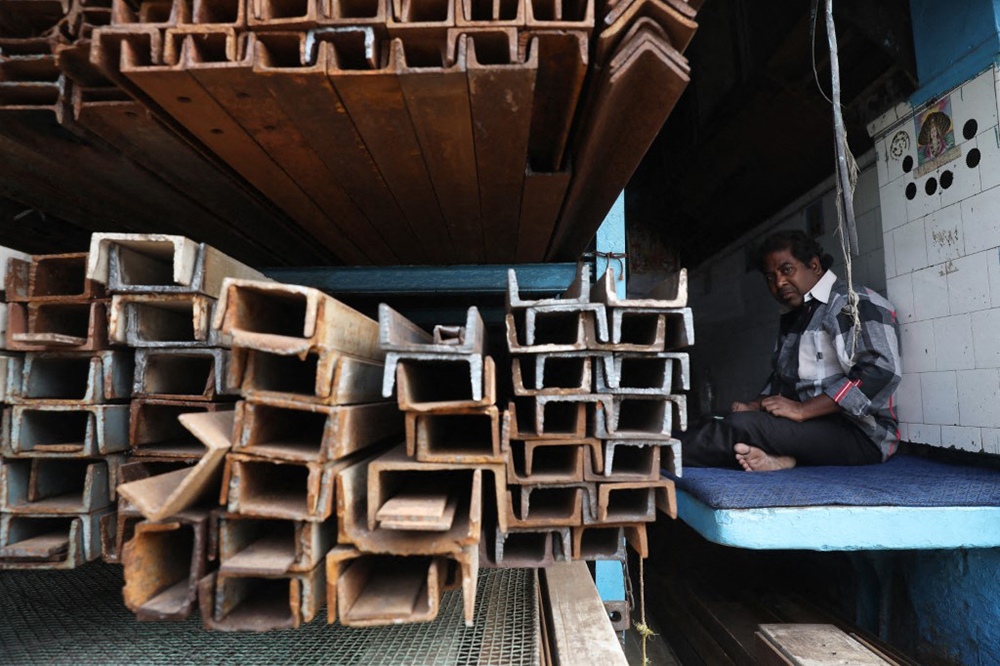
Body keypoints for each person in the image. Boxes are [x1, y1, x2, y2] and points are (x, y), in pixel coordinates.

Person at [682, 230, 902, 472]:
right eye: (770, 276)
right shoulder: (797, 315)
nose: (778, 283)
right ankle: (784, 460)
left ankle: (656, 454)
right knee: (725, 420)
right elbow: (784, 379)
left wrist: (802, 409)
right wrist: (758, 405)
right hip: (816, 427)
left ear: (815, 266)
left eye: (786, 270)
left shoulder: (852, 301)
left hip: (862, 435)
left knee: (742, 428)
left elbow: (880, 371)